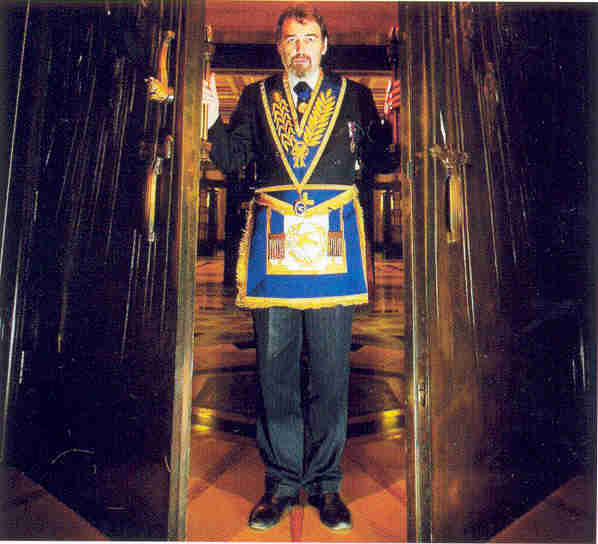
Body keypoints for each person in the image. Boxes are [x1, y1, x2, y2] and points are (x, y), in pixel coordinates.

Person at [202, 4, 398, 532]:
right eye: (291, 40)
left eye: (309, 37)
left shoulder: (354, 95)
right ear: (280, 48)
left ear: (324, 44)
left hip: (334, 244)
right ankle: (282, 483)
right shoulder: (254, 96)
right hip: (275, 246)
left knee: (332, 372)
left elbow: (382, 160)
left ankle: (327, 486)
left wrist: (394, 119)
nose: (300, 47)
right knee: (275, 370)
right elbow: (230, 158)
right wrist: (207, 118)